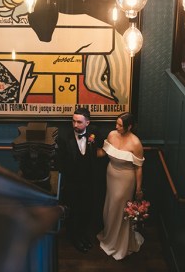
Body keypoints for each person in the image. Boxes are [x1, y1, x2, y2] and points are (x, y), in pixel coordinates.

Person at [96, 112, 145, 260]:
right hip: (110, 174)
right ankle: (109, 235)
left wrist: (138, 189)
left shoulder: (135, 143)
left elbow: (138, 168)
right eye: (116, 123)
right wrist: (87, 148)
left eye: (120, 125)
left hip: (126, 179)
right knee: (110, 206)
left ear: (129, 126)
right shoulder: (111, 135)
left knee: (120, 208)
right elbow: (102, 153)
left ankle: (120, 243)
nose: (116, 127)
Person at [56, 107, 104, 253]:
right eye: (73, 121)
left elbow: (100, 153)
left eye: (79, 122)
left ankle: (83, 235)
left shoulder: (95, 132)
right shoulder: (64, 137)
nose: (75, 125)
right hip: (72, 183)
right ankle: (75, 238)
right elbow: (60, 162)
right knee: (74, 211)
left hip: (90, 182)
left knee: (87, 210)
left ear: (87, 123)